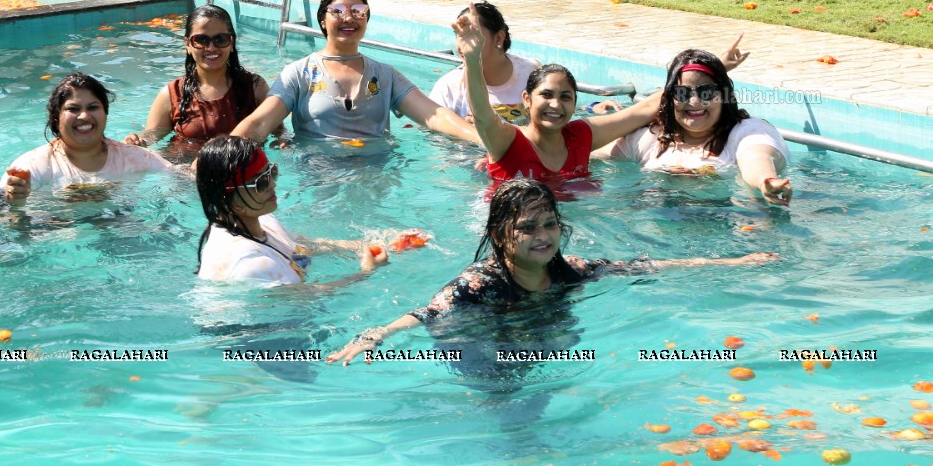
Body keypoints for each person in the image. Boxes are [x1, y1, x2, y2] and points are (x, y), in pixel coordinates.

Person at [327, 178, 779, 365]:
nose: (542, 236)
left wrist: (733, 263)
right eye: (528, 228)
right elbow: (426, 314)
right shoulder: (478, 283)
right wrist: (375, 335)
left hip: (541, 334)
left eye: (549, 225)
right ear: (502, 236)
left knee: (565, 341)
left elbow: (645, 266)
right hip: (484, 347)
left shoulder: (569, 270)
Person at [230, 0, 480, 144]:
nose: (348, 17)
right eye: (337, 11)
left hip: (377, 179)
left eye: (358, 10)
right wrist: (216, 159)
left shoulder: (385, 74)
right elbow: (260, 123)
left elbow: (434, 116)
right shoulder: (299, 73)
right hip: (319, 181)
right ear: (322, 20)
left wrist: (484, 140)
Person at [452, 4, 661, 187]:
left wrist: (688, 76)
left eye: (565, 97)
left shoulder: (580, 136)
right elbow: (482, 114)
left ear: (575, 103)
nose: (555, 104)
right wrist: (472, 60)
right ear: (527, 99)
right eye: (546, 95)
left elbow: (641, 111)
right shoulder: (507, 141)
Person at [604, 48, 792, 205]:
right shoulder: (650, 139)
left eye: (706, 92)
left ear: (724, 96)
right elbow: (588, 154)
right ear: (670, 98)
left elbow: (756, 159)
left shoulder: (747, 132)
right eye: (682, 93)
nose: (694, 102)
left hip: (731, 228)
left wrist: (766, 181)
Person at [195, 135, 387, 284]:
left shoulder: (258, 218)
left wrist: (365, 245)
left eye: (272, 172)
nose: (272, 185)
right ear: (232, 201)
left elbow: (300, 245)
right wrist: (366, 273)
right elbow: (306, 297)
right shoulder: (249, 265)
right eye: (261, 182)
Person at [0, 73, 171, 202]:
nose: (83, 116)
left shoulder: (134, 158)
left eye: (93, 107)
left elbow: (183, 182)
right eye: (73, 109)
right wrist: (17, 205)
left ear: (105, 113)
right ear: (56, 117)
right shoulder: (32, 168)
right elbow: (0, 217)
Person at [127, 5, 269, 148]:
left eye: (220, 39)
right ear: (188, 44)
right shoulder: (172, 94)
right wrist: (137, 141)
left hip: (241, 169)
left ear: (231, 43)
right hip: (184, 168)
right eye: (201, 40)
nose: (211, 48)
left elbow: (279, 131)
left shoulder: (255, 87)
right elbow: (152, 134)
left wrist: (282, 142)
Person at [430, 1, 543, 125]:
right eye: (459, 35)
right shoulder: (449, 86)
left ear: (499, 38)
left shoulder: (530, 72)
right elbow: (430, 132)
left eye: (472, 34)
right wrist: (464, 131)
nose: (463, 44)